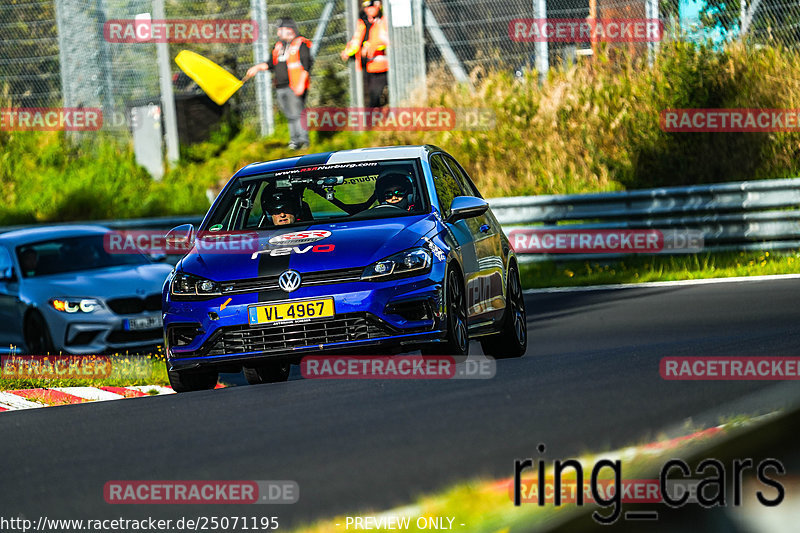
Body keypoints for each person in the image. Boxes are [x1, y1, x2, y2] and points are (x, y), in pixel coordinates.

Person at [247, 18, 312, 150]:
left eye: (280, 30)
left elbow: (307, 66)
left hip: (294, 85)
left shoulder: (301, 43)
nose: (278, 33)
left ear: (289, 29)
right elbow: (270, 64)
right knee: (289, 114)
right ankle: (294, 141)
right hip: (280, 86)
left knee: (298, 113)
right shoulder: (279, 46)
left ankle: (304, 141)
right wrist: (257, 68)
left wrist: (301, 84)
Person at [358, 1, 388, 107]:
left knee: (376, 95)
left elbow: (384, 40)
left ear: (378, 6)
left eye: (372, 7)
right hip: (369, 65)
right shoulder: (363, 22)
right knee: (372, 95)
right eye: (367, 8)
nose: (369, 10)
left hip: (382, 65)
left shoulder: (383, 21)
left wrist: (371, 45)